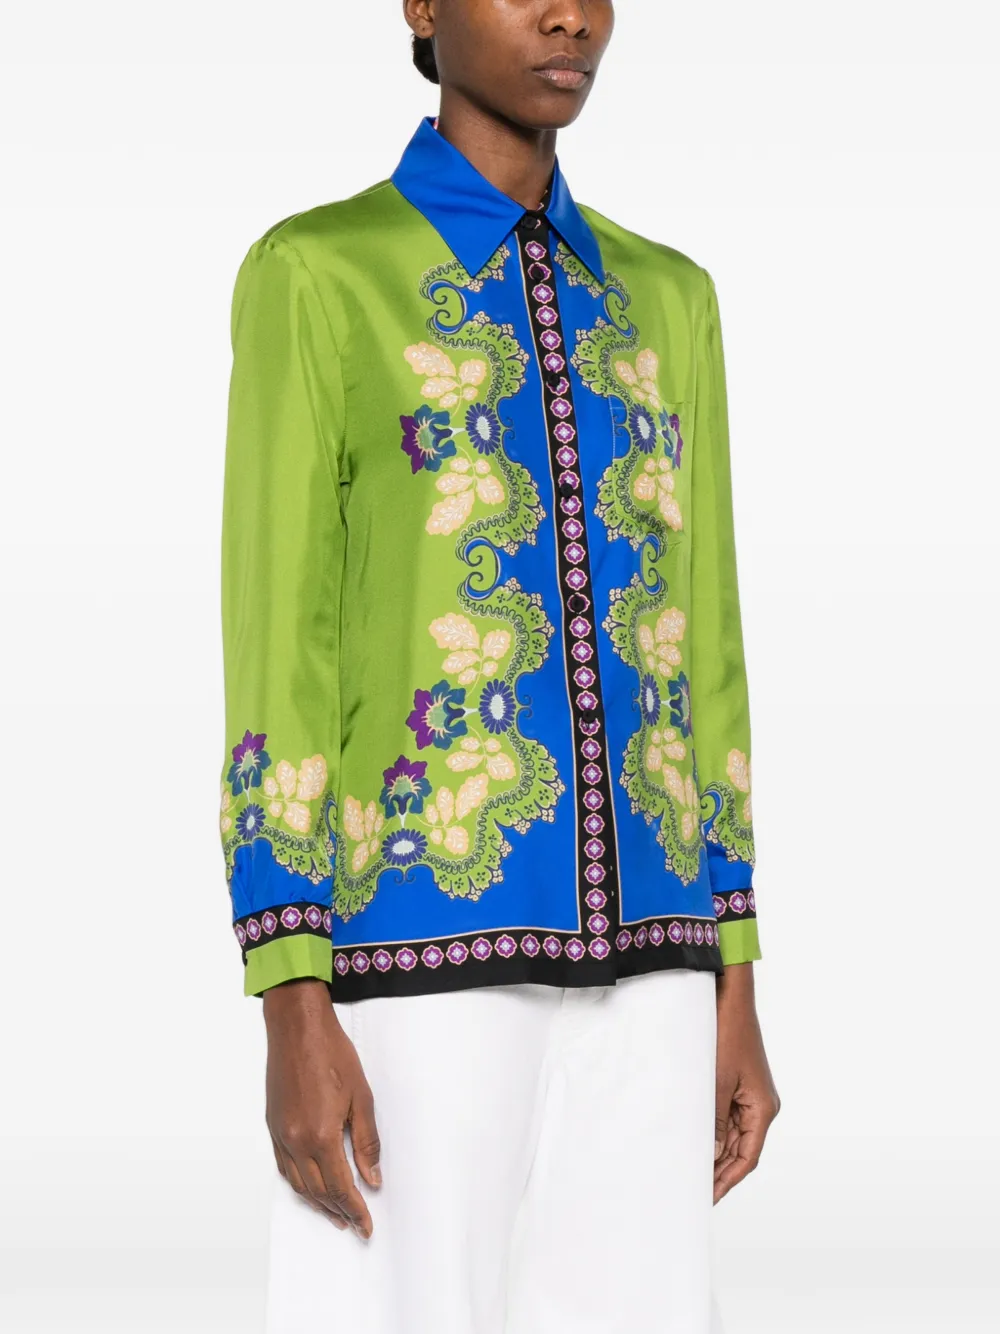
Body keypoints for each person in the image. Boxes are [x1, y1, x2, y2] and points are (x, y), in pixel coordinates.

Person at [218, 2, 779, 1330]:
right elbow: (278, 641)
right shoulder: (319, 273)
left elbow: (706, 644)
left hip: (659, 961)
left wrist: (736, 976)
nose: (569, 15)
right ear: (422, 5)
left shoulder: (670, 298)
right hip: (409, 956)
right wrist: (291, 994)